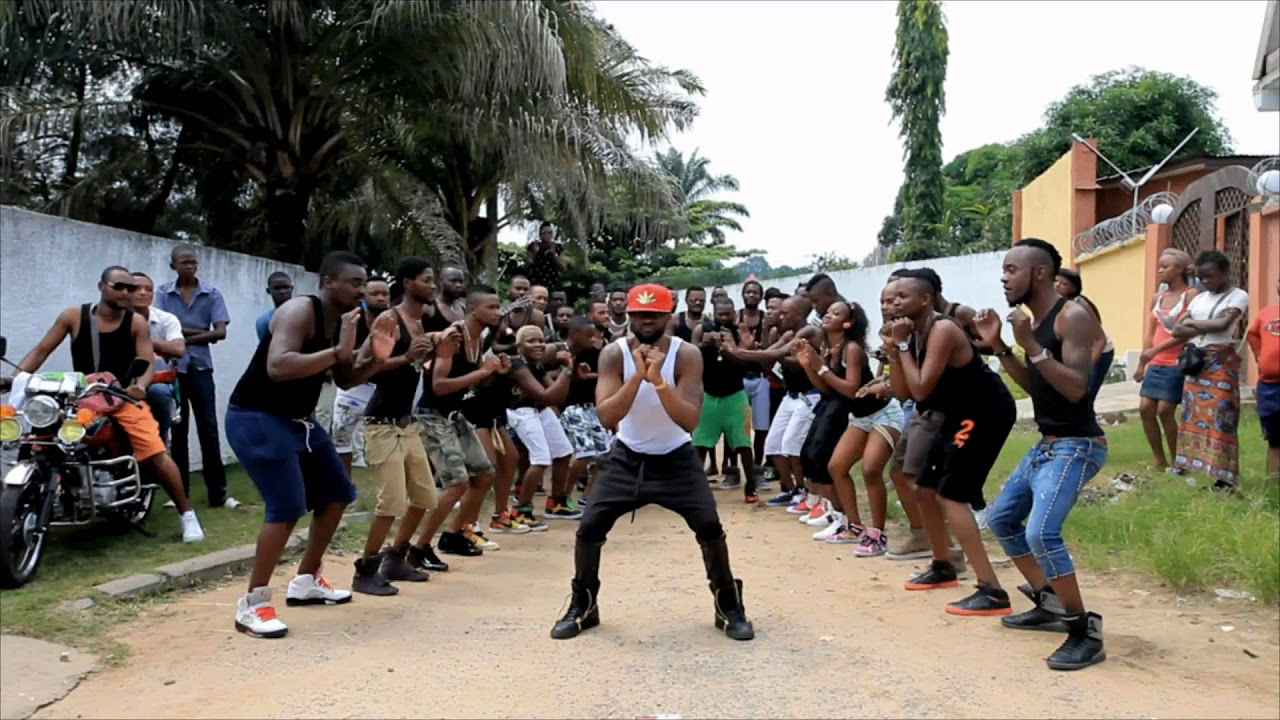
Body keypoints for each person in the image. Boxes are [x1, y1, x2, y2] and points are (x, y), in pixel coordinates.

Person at [549, 283, 754, 641]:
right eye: (639, 315)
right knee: (590, 527)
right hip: (627, 458)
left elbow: (689, 421)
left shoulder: (686, 354)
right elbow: (607, 416)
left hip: (676, 458)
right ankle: (584, 604)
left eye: (654, 315)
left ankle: (728, 605)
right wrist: (637, 378)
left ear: (667, 316)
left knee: (709, 526)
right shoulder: (613, 355)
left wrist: (659, 381)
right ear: (627, 316)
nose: (646, 321)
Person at [977, 237, 1109, 671]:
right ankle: (1052, 603)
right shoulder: (1034, 323)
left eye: (1011, 269)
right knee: (999, 519)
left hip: (1078, 444)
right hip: (1048, 443)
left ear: (1039, 273)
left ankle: (1083, 630)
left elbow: (1075, 390)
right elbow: (1038, 386)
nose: (1003, 277)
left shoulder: (1074, 316)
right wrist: (1000, 346)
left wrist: (1030, 345)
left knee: (1042, 533)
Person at [224, 251, 371, 638]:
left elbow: (345, 377)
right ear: (328, 282)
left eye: (364, 282)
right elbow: (278, 365)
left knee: (337, 493)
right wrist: (337, 351)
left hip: (298, 422)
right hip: (255, 417)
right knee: (286, 507)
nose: (362, 288)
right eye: (354, 282)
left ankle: (306, 580)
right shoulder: (299, 310)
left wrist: (390, 358)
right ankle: (252, 604)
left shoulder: (345, 320)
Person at [13, 266, 205, 543]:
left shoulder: (136, 323)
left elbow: (147, 363)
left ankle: (187, 515)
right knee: (38, 440)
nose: (127, 292)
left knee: (154, 451)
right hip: (81, 396)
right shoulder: (73, 316)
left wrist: (139, 386)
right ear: (101, 286)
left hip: (122, 397)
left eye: (130, 287)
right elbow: (42, 350)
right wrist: (18, 376)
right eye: (119, 286)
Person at [883, 268, 1015, 610]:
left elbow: (923, 386)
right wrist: (897, 351)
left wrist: (901, 346)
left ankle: (991, 589)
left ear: (925, 299)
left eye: (902, 297)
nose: (893, 302)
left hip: (984, 411)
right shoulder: (910, 333)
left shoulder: (942, 328)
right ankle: (943, 565)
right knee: (923, 489)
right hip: (954, 414)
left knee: (951, 493)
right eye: (891, 297)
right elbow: (903, 392)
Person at [351, 258, 455, 596]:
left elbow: (414, 367)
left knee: (424, 496)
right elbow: (365, 366)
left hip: (405, 423)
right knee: (391, 502)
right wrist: (408, 357)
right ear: (407, 283)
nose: (432, 286)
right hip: (382, 423)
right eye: (426, 280)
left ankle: (395, 557)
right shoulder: (389, 319)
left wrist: (431, 350)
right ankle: (365, 570)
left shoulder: (419, 322)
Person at [411, 285, 507, 560]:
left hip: (454, 415)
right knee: (456, 482)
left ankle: (452, 535)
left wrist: (492, 373)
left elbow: (472, 381)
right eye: (492, 307)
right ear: (473, 309)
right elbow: (439, 386)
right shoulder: (453, 336)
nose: (498, 312)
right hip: (433, 415)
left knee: (485, 473)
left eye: (498, 306)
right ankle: (420, 547)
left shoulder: (480, 338)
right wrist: (482, 373)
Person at [805, 301, 903, 556]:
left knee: (871, 470)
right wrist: (810, 365)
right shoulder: (831, 348)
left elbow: (849, 388)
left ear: (847, 323)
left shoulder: (852, 349)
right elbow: (826, 388)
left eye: (835, 313)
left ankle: (877, 535)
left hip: (882, 413)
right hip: (860, 417)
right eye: (827, 311)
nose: (828, 315)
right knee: (836, 467)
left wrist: (821, 367)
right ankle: (854, 526)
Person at [156, 244, 235, 509]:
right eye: (184, 262)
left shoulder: (211, 293)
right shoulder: (164, 293)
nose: (189, 266)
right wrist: (200, 334)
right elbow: (158, 330)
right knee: (178, 431)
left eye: (193, 262)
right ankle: (180, 493)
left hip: (201, 368)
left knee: (209, 429)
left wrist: (179, 333)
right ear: (173, 265)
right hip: (172, 370)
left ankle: (218, 493)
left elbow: (221, 332)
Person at [726, 296, 818, 509]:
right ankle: (788, 490)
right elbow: (769, 358)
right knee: (773, 445)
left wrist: (741, 352)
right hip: (791, 396)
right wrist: (753, 349)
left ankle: (805, 493)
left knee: (792, 447)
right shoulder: (787, 334)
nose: (780, 316)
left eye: (786, 313)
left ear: (800, 315)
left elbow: (775, 354)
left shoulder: (810, 332)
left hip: (809, 396)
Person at [1171, 251, 1248, 490]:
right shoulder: (1199, 299)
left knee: (1221, 419)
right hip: (1197, 364)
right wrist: (1198, 325)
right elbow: (1177, 329)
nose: (1205, 282)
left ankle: (1224, 478)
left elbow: (1223, 324)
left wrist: (1192, 324)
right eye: (1201, 277)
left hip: (1220, 365)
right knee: (1193, 416)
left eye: (1210, 276)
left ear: (1225, 272)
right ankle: (1193, 465)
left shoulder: (1238, 296)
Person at [1133, 249, 1199, 469]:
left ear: (1179, 269)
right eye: (1159, 266)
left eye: (1165, 266)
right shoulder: (1157, 298)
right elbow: (1150, 332)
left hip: (1177, 362)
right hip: (1156, 362)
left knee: (1165, 410)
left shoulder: (1190, 295)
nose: (1160, 270)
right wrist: (1144, 361)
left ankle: (1178, 460)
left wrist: (1156, 350)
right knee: (1145, 409)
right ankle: (1159, 458)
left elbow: (1188, 331)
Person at [691, 298, 758, 501]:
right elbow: (691, 357)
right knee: (700, 443)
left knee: (744, 444)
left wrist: (729, 347)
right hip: (709, 397)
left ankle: (751, 487)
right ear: (714, 312)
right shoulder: (702, 329)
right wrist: (706, 343)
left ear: (734, 314)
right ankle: (694, 488)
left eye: (728, 314)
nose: (724, 318)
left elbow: (746, 363)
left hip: (735, 396)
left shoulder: (740, 332)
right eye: (720, 314)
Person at [507, 325, 578, 519]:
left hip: (540, 409)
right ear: (519, 346)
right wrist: (565, 371)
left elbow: (557, 396)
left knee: (564, 452)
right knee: (540, 459)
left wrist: (567, 370)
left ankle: (555, 502)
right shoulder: (516, 365)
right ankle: (521, 510)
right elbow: (546, 395)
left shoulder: (537, 364)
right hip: (521, 412)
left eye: (541, 341)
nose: (538, 345)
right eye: (531, 341)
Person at [330, 279, 390, 475]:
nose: (381, 298)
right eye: (376, 294)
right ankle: (343, 487)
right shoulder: (351, 320)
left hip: (382, 388)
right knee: (340, 438)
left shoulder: (395, 322)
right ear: (364, 296)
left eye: (385, 294)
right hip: (353, 386)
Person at [560, 317, 614, 503]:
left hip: (593, 410)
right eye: (589, 335)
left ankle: (588, 496)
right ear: (574, 334)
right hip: (574, 409)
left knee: (606, 455)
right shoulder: (560, 353)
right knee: (585, 453)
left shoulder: (591, 353)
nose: (593, 339)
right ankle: (563, 495)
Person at [129, 272, 185, 444]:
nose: (143, 293)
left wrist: (142, 340)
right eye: (137, 288)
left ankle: (161, 444)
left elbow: (178, 349)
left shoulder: (166, 319)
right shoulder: (113, 319)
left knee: (159, 392)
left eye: (148, 289)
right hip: (120, 380)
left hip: (158, 380)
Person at [1054, 268, 1114, 400]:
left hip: (1098, 351)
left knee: (1085, 396)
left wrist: (1088, 365)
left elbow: (1100, 339)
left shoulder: (1079, 304)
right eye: (1055, 281)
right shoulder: (1053, 304)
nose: (1057, 285)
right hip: (1076, 353)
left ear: (1073, 289)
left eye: (1064, 283)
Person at [1246, 278, 1279, 481]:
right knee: (1275, 440)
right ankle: (1273, 484)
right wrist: (1261, 358)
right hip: (1269, 387)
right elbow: (1253, 335)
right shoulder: (1266, 313)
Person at [737, 280, 771, 479]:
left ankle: (757, 467)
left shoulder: (765, 319)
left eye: (755, 292)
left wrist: (762, 337)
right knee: (738, 426)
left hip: (760, 378)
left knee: (761, 427)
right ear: (743, 294)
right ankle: (734, 469)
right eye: (748, 291)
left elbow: (767, 350)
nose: (751, 295)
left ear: (760, 296)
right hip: (739, 378)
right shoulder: (736, 316)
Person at [255, 272, 295, 341]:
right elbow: (266, 350)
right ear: (268, 291)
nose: (282, 291)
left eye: (286, 287)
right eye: (277, 288)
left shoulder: (307, 314)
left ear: (291, 288)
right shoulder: (264, 322)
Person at [527, 221, 566, 290]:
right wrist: (536, 253)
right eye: (544, 233)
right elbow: (528, 265)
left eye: (549, 233)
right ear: (540, 235)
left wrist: (554, 255)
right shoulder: (534, 245)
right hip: (537, 280)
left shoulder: (558, 247)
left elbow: (563, 268)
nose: (547, 235)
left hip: (553, 282)